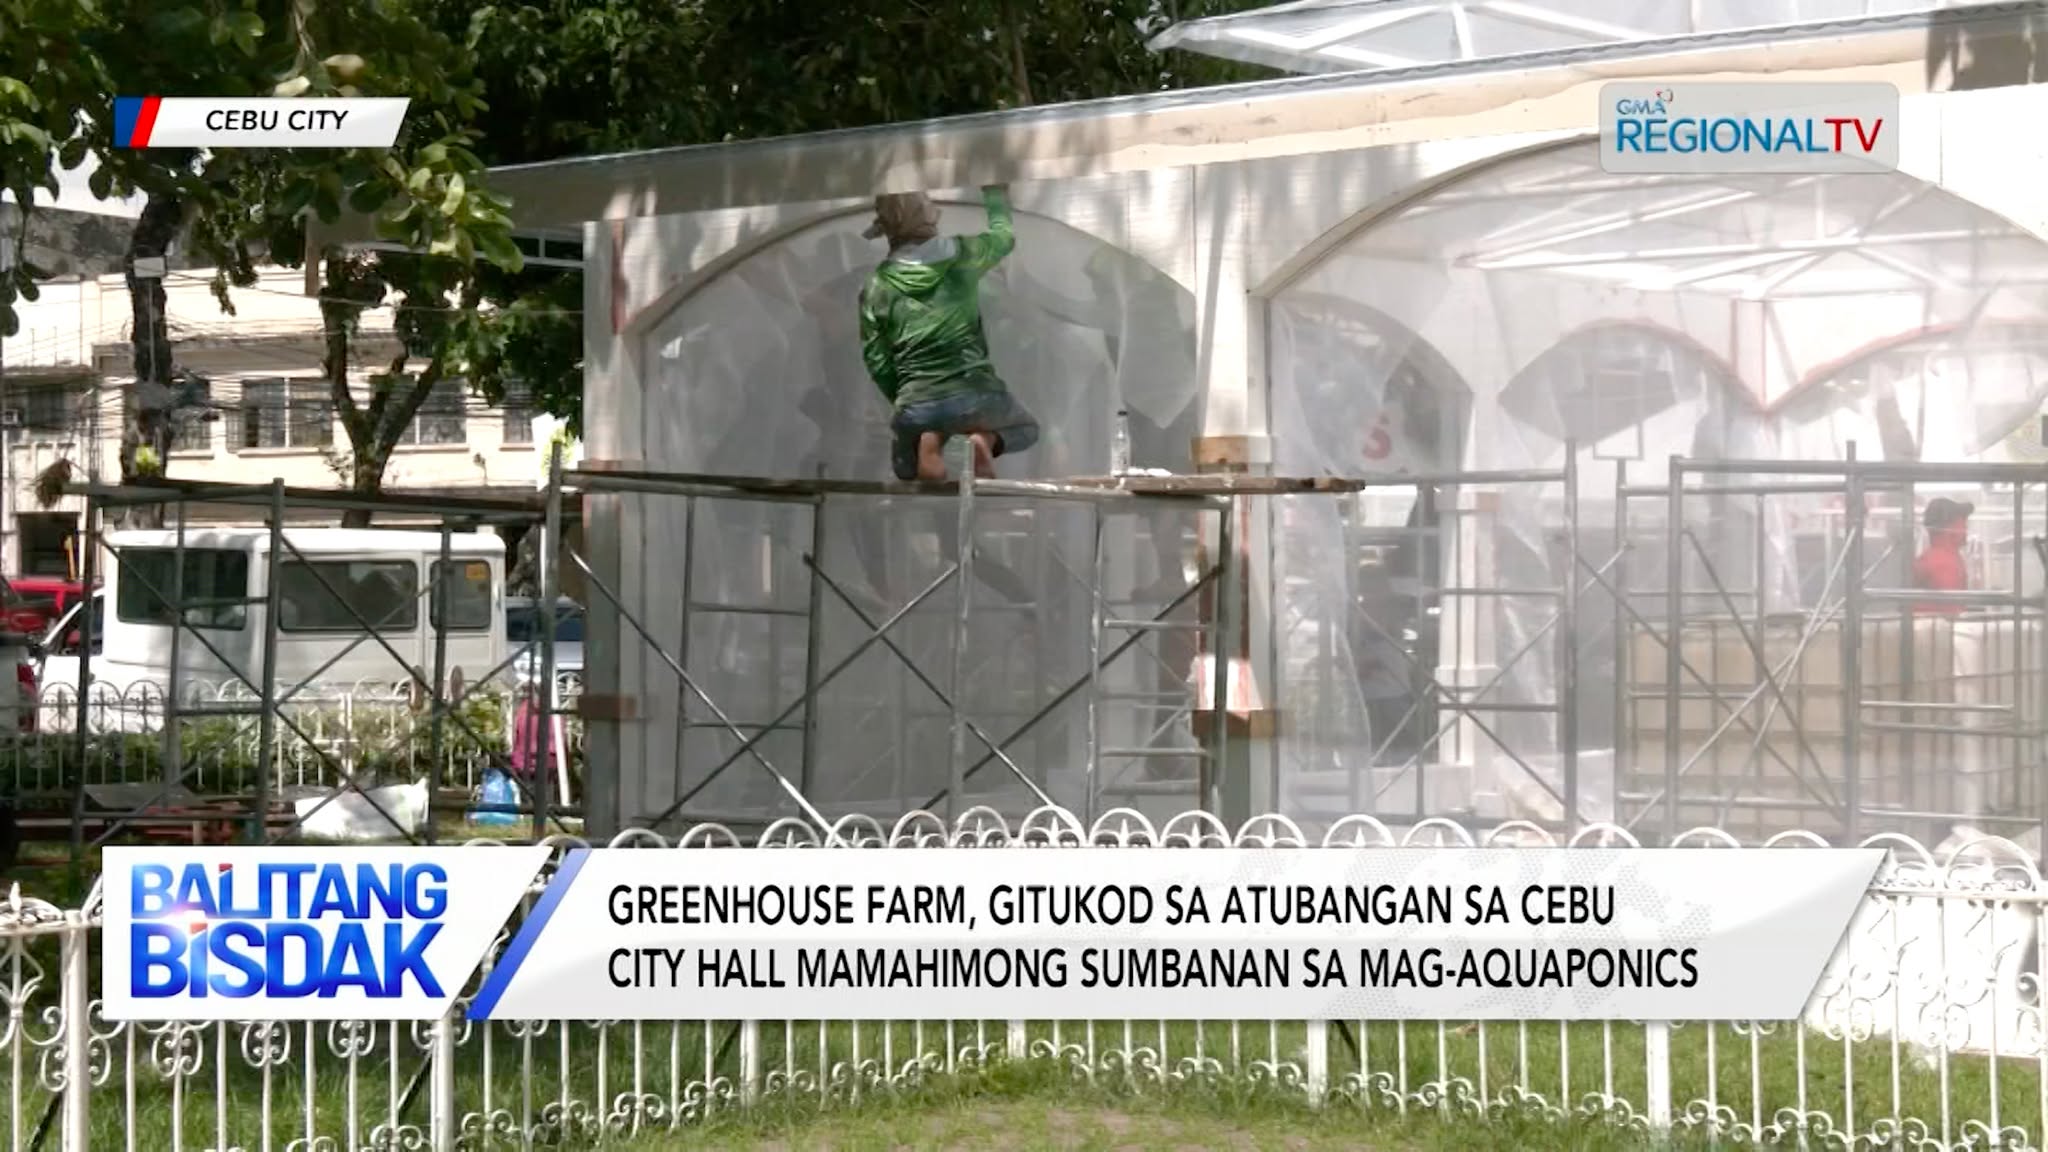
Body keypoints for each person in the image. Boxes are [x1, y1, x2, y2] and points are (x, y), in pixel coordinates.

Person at [858, 186, 1040, 483]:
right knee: (1026, 430)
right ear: (929, 219)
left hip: (918, 402)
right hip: (978, 392)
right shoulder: (962, 256)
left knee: (906, 468)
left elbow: (876, 359)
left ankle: (929, 436)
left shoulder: (877, 285)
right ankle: (984, 440)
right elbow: (1004, 238)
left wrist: (904, 398)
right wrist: (995, 195)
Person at [1911, 497, 1973, 616]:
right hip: (1938, 632)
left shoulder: (1935, 557)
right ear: (1949, 528)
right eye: (1962, 523)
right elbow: (1951, 612)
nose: (1966, 528)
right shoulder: (1943, 564)